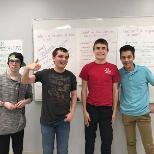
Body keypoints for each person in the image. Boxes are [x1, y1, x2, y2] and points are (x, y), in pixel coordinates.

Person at [21, 47, 77, 154]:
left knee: (63, 151)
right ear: (53, 58)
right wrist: (28, 68)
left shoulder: (71, 76)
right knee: (47, 151)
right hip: (47, 121)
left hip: (64, 120)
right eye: (60, 56)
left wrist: (72, 112)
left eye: (66, 57)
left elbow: (74, 94)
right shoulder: (45, 74)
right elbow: (24, 81)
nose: (64, 59)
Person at [79, 38, 120, 154]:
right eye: (98, 48)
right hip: (91, 108)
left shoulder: (113, 68)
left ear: (107, 51)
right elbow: (83, 90)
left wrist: (114, 112)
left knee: (107, 141)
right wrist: (84, 111)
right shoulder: (87, 68)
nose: (100, 51)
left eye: (103, 48)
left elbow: (115, 91)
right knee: (89, 140)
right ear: (93, 50)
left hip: (107, 110)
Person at [118, 45, 154, 154]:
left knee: (149, 145)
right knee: (131, 143)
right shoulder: (119, 73)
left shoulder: (144, 70)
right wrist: (117, 104)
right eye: (123, 57)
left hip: (143, 113)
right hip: (127, 114)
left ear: (134, 56)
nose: (126, 60)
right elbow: (113, 90)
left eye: (129, 57)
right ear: (120, 58)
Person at [0, 52, 33, 154]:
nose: (14, 64)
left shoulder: (25, 80)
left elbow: (30, 97)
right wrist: (3, 103)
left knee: (18, 151)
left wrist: (25, 101)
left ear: (21, 64)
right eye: (12, 61)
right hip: (2, 125)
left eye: (17, 61)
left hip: (19, 124)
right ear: (8, 63)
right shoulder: (1, 79)